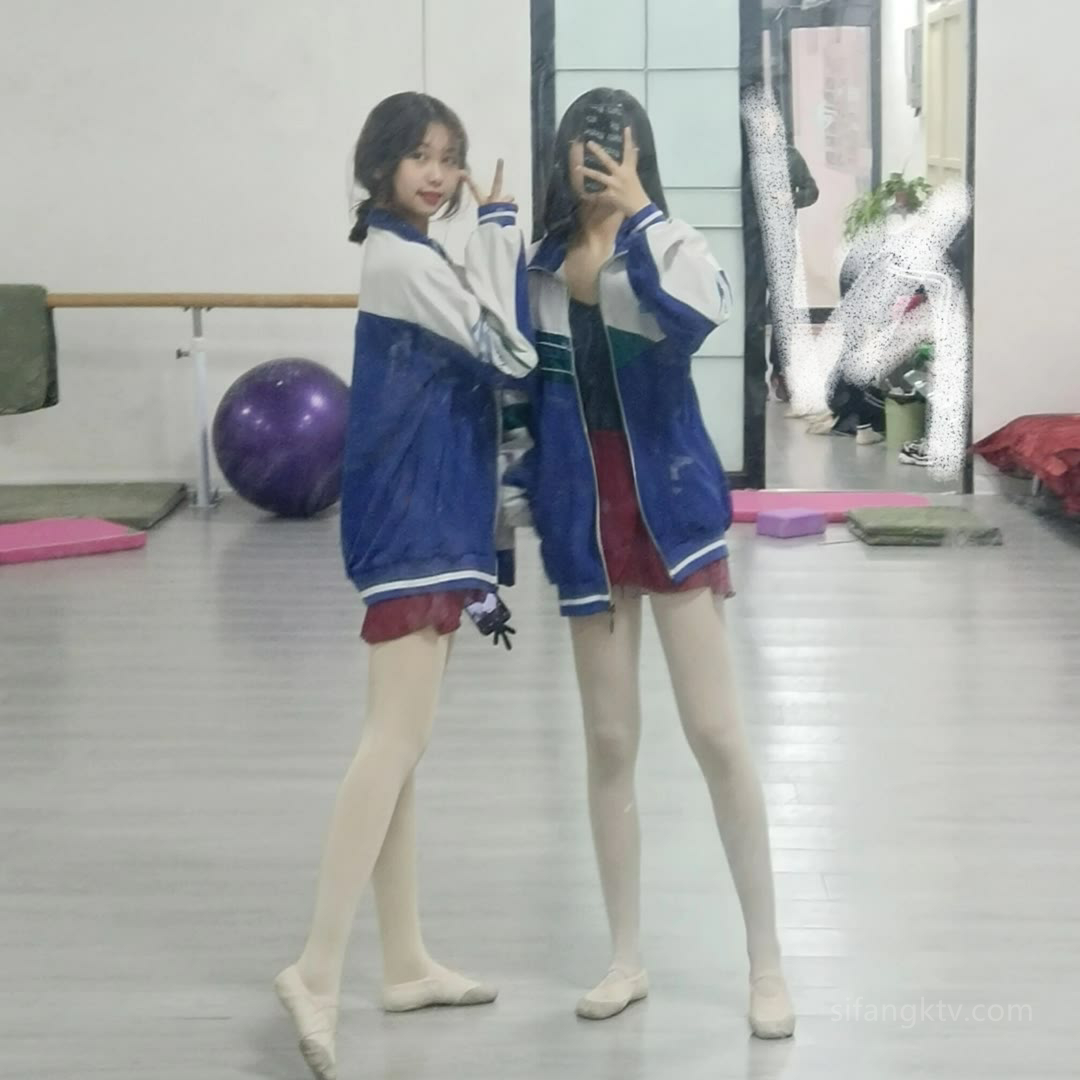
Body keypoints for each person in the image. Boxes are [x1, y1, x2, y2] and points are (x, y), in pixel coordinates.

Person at [515, 87, 795, 1038]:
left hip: (669, 504)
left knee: (716, 734)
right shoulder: (541, 266)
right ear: (562, 156)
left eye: (617, 146)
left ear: (641, 154)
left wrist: (642, 216)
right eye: (585, 146)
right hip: (584, 514)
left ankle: (767, 964)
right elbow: (521, 388)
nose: (598, 161)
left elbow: (702, 312)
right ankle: (624, 958)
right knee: (608, 741)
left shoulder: (669, 242)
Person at [274, 91, 536, 1080]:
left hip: (432, 511)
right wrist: (500, 231)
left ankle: (404, 960)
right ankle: (317, 968)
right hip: (415, 519)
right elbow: (508, 353)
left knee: (402, 748)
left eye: (449, 156)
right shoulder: (402, 261)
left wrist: (483, 238)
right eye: (420, 155)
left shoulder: (414, 254)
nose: (437, 173)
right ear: (381, 162)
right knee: (392, 742)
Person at [768, 143, 819, 402]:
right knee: (750, 312)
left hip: (782, 243)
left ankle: (781, 371)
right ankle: (751, 376)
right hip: (749, 243)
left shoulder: (789, 156)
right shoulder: (743, 156)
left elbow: (812, 191)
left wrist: (791, 199)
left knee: (782, 308)